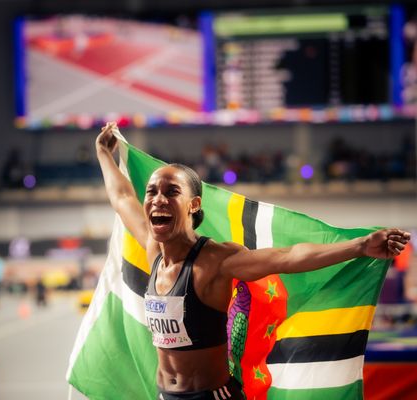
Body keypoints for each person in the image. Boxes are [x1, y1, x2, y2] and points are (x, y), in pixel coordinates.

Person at [95, 121, 412, 400]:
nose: (157, 198)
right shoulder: (154, 252)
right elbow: (122, 198)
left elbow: (287, 257)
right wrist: (104, 156)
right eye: (151, 191)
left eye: (170, 191)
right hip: (166, 395)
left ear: (192, 205)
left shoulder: (216, 260)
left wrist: (359, 246)